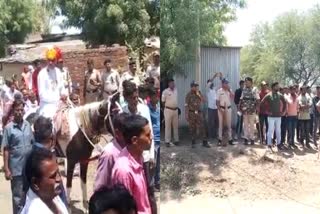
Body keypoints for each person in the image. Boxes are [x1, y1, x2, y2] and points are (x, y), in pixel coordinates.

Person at [121, 81, 156, 214]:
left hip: (145, 157)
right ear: (126, 99)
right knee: (136, 192)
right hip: (131, 158)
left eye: (136, 97)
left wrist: (152, 155)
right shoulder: (123, 113)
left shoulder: (144, 109)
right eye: (132, 98)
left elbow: (150, 133)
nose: (135, 100)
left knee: (150, 191)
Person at [23, 116, 68, 207]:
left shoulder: (28, 154)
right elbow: (59, 191)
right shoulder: (48, 159)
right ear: (51, 137)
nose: (57, 178)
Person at [111, 114, 152, 214]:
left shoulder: (138, 157)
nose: (151, 137)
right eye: (147, 135)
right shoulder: (123, 171)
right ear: (134, 140)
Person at [2, 99, 34, 214]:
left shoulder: (27, 125)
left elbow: (32, 143)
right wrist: (6, 169)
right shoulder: (9, 128)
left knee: (29, 195)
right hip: (16, 169)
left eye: (21, 110)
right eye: (17, 110)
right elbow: (6, 149)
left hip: (29, 168)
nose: (20, 112)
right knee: (18, 199)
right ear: (13, 111)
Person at [21, 149, 68, 214]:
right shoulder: (35, 211)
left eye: (58, 172)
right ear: (35, 183)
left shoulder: (49, 195)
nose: (59, 179)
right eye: (53, 176)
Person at [94, 113, 129, 191]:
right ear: (118, 133)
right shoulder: (109, 154)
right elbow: (100, 187)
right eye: (128, 131)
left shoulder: (129, 148)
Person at [38, 47, 67, 119]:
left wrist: (63, 94)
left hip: (59, 104)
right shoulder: (42, 74)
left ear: (56, 60)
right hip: (47, 106)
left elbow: (62, 88)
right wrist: (57, 98)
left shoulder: (58, 72)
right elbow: (42, 95)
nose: (50, 62)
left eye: (53, 60)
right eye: (49, 60)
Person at [261, 82, 287, 150]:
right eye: (277, 86)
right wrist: (266, 111)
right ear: (273, 87)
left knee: (278, 130)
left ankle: (279, 144)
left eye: (278, 86)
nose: (278, 88)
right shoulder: (268, 95)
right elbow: (262, 103)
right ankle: (269, 144)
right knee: (270, 131)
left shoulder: (280, 95)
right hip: (271, 117)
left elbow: (284, 102)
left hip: (278, 116)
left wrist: (283, 111)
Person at [185, 81, 210, 148]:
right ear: (192, 87)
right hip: (191, 113)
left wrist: (199, 94)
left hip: (199, 112)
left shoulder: (199, 93)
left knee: (202, 127)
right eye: (195, 86)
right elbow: (186, 105)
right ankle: (193, 142)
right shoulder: (188, 94)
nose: (196, 87)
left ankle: (204, 142)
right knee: (192, 127)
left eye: (197, 86)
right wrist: (186, 114)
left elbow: (204, 100)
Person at [239, 77, 260, 145]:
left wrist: (257, 109)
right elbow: (241, 99)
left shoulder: (255, 90)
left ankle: (252, 139)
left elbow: (258, 100)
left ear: (251, 82)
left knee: (251, 125)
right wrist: (239, 108)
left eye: (248, 82)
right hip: (245, 110)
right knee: (245, 125)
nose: (246, 83)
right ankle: (246, 138)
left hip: (252, 110)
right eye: (246, 82)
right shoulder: (244, 90)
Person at [148, 87, 160, 191]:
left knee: (159, 163)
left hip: (160, 138)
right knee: (153, 164)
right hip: (154, 139)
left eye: (157, 96)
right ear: (150, 97)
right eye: (155, 96)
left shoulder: (158, 106)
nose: (157, 98)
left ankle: (158, 182)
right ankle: (151, 185)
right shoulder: (147, 108)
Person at [217, 79, 235, 146]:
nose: (227, 84)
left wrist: (229, 90)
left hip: (228, 108)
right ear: (222, 84)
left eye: (227, 83)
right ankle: (220, 139)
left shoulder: (229, 90)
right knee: (221, 124)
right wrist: (219, 109)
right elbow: (217, 102)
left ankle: (230, 139)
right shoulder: (219, 91)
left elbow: (233, 97)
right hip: (221, 109)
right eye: (225, 83)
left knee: (229, 124)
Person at [161, 78, 179, 147]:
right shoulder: (165, 91)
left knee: (175, 126)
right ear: (169, 84)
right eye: (171, 83)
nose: (173, 84)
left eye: (173, 83)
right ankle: (167, 141)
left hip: (175, 110)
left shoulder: (176, 90)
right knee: (168, 126)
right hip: (168, 110)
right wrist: (165, 109)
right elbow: (163, 101)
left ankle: (176, 140)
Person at [206, 72, 222, 140]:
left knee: (216, 122)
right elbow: (209, 83)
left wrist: (221, 77)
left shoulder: (215, 89)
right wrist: (214, 76)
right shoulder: (208, 90)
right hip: (211, 108)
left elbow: (221, 85)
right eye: (210, 83)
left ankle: (215, 135)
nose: (212, 83)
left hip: (216, 108)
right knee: (210, 122)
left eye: (212, 83)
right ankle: (210, 135)